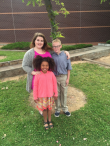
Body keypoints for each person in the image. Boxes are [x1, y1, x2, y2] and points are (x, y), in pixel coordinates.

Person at [22, 32, 70, 116]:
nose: (40, 42)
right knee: (40, 94)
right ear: (34, 41)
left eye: (42, 40)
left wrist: (65, 52)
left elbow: (57, 51)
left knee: (47, 92)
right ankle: (41, 109)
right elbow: (24, 65)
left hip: (49, 78)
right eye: (38, 40)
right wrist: (32, 72)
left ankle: (48, 106)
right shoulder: (30, 53)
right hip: (38, 78)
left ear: (44, 42)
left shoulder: (48, 51)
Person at [33, 56, 58, 130]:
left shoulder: (51, 74)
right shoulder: (38, 75)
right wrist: (35, 96)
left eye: (46, 65)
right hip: (42, 96)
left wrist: (55, 93)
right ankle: (45, 121)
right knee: (44, 109)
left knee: (49, 109)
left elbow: (54, 84)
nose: (45, 67)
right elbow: (35, 86)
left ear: (49, 65)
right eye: (43, 65)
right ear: (40, 66)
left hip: (50, 95)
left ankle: (49, 120)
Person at [51, 38, 72, 117]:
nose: (56, 48)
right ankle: (57, 109)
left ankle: (65, 108)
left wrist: (68, 79)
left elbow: (69, 68)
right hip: (54, 77)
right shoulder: (51, 56)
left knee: (64, 93)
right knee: (56, 93)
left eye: (57, 46)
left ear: (61, 46)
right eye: (54, 46)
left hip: (63, 77)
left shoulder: (65, 55)